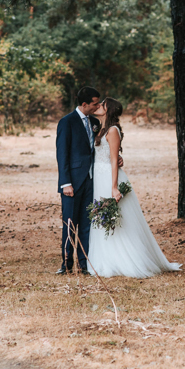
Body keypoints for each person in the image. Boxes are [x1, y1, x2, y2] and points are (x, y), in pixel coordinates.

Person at [88, 98, 180, 278]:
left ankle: (123, 259)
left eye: (102, 104)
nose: (98, 106)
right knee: (102, 217)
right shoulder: (100, 128)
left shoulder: (113, 131)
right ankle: (104, 257)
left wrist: (114, 187)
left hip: (108, 176)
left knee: (118, 219)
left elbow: (114, 160)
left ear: (109, 110)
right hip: (98, 177)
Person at [56, 87, 102, 274]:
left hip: (91, 181)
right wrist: (65, 183)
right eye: (95, 103)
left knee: (86, 224)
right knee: (69, 223)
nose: (98, 106)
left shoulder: (95, 122)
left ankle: (84, 265)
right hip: (72, 183)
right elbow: (62, 154)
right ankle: (66, 264)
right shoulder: (67, 122)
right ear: (84, 104)